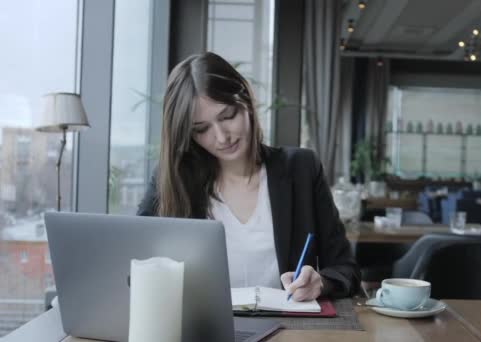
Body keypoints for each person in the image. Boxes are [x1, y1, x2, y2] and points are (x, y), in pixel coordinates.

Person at [137, 52, 360, 301]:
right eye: (201, 129)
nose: (222, 137)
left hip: (290, 331)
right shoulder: (172, 180)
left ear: (247, 101)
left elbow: (346, 269)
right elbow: (133, 263)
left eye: (228, 116)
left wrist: (321, 283)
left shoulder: (302, 169)